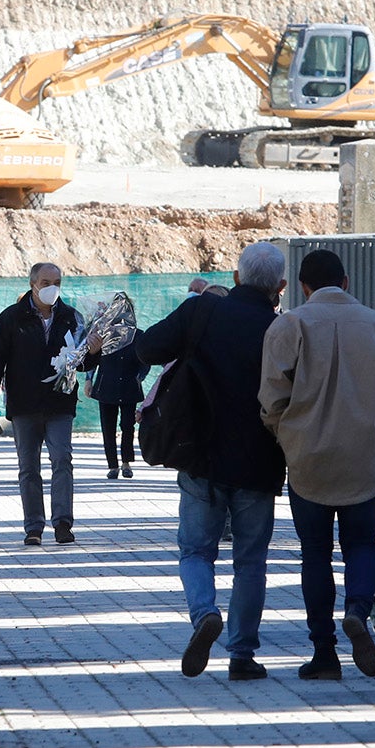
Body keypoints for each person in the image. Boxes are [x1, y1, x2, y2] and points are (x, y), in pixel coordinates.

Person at [259, 250, 375, 681]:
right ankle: (356, 609)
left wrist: (286, 436)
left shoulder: (288, 325)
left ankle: (324, 653)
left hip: (307, 460)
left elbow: (271, 399)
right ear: (347, 282)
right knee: (361, 546)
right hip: (364, 458)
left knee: (315, 554)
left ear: (302, 287)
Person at [137, 242, 287, 682]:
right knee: (251, 560)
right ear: (279, 286)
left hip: (199, 454)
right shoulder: (282, 329)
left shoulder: (201, 311)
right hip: (259, 462)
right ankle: (241, 655)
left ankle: (204, 613)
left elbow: (148, 350)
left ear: (237, 278)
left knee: (196, 550)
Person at [0, 263, 87, 546]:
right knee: (29, 467)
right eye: (46, 281)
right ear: (32, 284)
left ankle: (63, 523)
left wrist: (94, 350)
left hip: (60, 403)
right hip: (24, 404)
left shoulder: (71, 318)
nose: (52, 287)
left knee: (62, 459)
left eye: (57, 281)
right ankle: (34, 527)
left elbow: (84, 361)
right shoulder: (12, 318)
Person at [85, 297, 148, 480]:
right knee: (108, 427)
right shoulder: (103, 334)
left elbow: (145, 360)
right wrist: (89, 380)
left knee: (128, 426)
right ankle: (112, 465)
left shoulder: (138, 335)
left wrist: (139, 377)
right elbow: (92, 359)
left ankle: (126, 463)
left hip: (129, 386)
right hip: (106, 385)